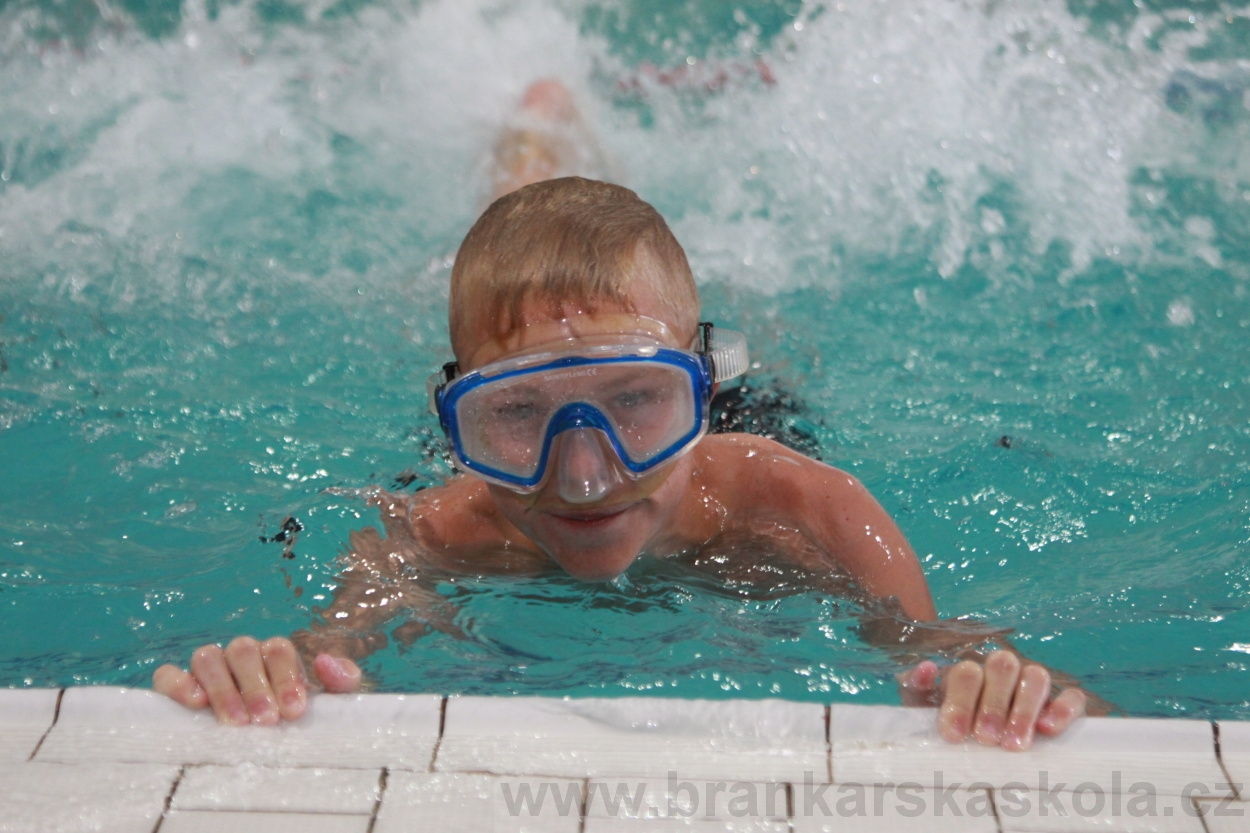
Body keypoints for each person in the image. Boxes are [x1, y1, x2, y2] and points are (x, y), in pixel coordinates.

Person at [153, 82, 1094, 751]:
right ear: (460, 424)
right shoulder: (443, 525)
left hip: (742, 426)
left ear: (698, 393)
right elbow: (324, 649)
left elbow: (937, 649)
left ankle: (550, 134)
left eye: (637, 401)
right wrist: (273, 669)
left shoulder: (799, 502)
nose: (585, 475)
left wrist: (997, 680)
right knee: (520, 265)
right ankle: (535, 132)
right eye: (517, 413)